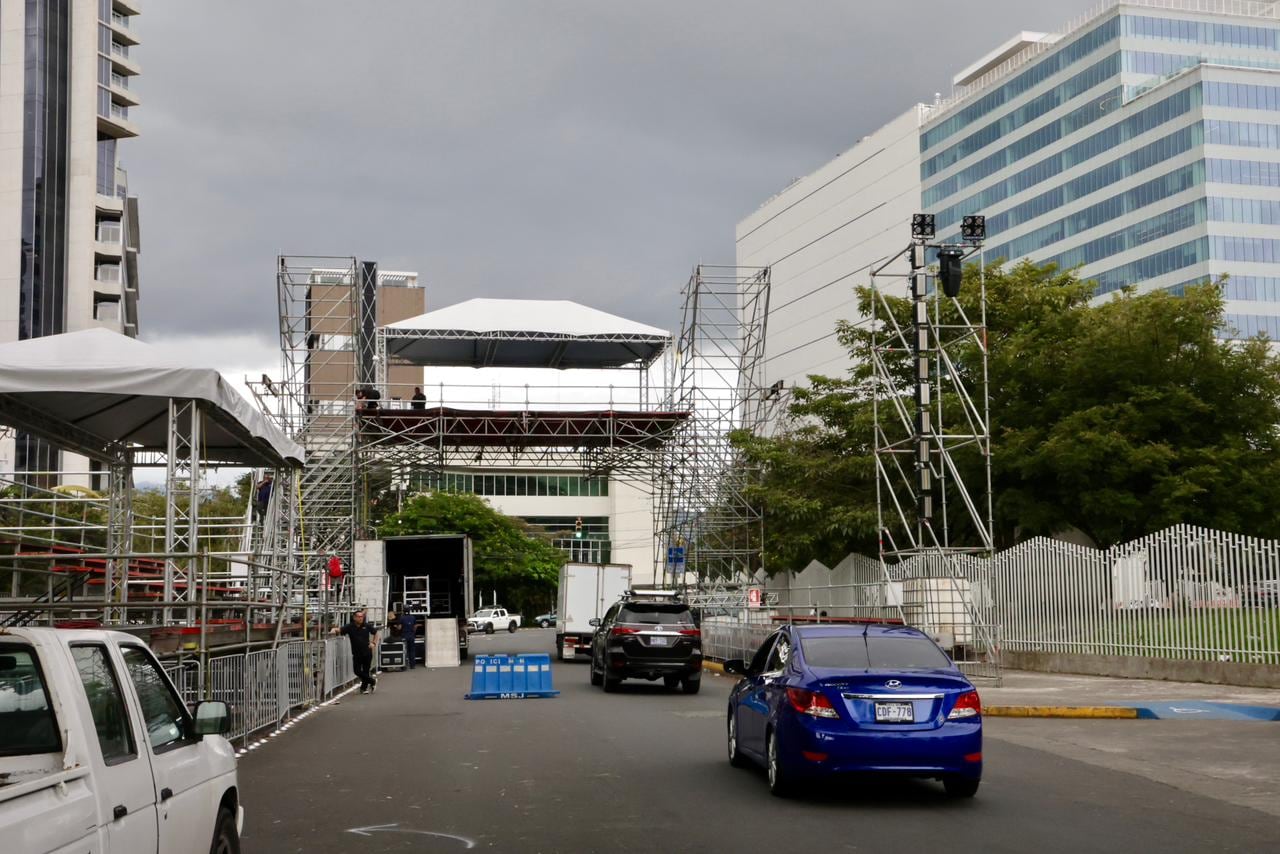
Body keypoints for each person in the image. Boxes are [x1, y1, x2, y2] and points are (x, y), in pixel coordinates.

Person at [331, 610, 379, 694]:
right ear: (354, 618)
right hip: (356, 653)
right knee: (357, 671)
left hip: (367, 652)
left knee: (366, 671)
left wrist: (374, 643)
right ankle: (372, 681)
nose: (361, 618)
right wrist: (334, 630)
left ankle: (363, 688)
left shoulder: (367, 626)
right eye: (359, 616)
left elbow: (376, 633)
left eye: (362, 616)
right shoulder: (350, 627)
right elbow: (340, 630)